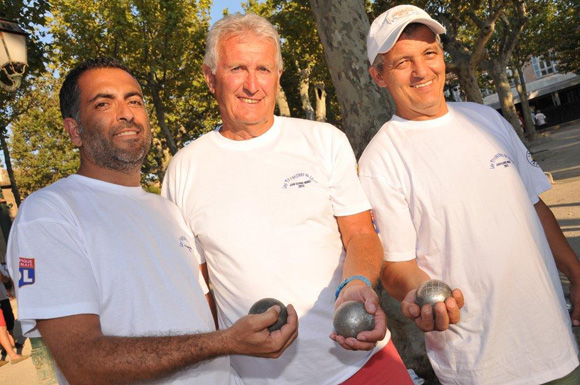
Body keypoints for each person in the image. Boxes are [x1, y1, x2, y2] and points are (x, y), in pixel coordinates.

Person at [7, 57, 298, 385]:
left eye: (134, 100)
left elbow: (204, 319)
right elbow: (82, 363)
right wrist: (227, 341)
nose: (126, 113)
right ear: (75, 130)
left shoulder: (168, 211)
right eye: (103, 103)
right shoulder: (49, 213)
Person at [162, 13, 412, 385]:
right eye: (237, 69)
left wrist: (357, 282)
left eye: (263, 69)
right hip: (259, 379)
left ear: (278, 75)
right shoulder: (183, 170)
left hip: (361, 361)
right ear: (210, 78)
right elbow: (197, 290)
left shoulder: (324, 140)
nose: (252, 84)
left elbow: (361, 235)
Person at [359, 4, 580, 384]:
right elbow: (394, 263)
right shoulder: (380, 159)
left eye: (430, 53)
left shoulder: (487, 118)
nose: (421, 71)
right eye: (402, 63)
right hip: (478, 362)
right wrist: (421, 294)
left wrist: (576, 274)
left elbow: (534, 206)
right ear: (378, 76)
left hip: (555, 343)